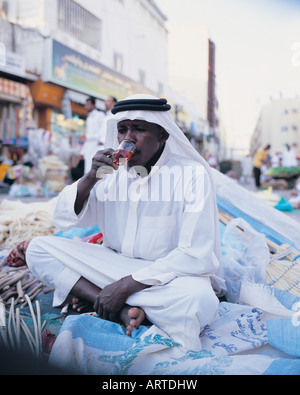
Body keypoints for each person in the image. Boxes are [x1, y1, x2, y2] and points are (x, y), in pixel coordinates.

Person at [25, 94, 225, 352]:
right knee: (37, 248)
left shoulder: (191, 175)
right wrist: (90, 178)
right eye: (122, 130)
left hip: (168, 275)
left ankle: (104, 297)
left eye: (139, 129)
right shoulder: (110, 173)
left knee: (199, 300)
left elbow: (195, 255)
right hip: (113, 265)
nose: (128, 138)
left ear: (163, 135)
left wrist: (124, 286)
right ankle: (114, 305)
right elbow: (65, 218)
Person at [81, 97, 105, 174]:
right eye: (85, 104)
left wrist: (88, 137)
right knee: (87, 171)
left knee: (94, 170)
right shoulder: (89, 117)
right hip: (88, 146)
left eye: (88, 104)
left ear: (93, 105)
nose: (86, 106)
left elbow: (102, 131)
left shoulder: (100, 115)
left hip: (96, 146)